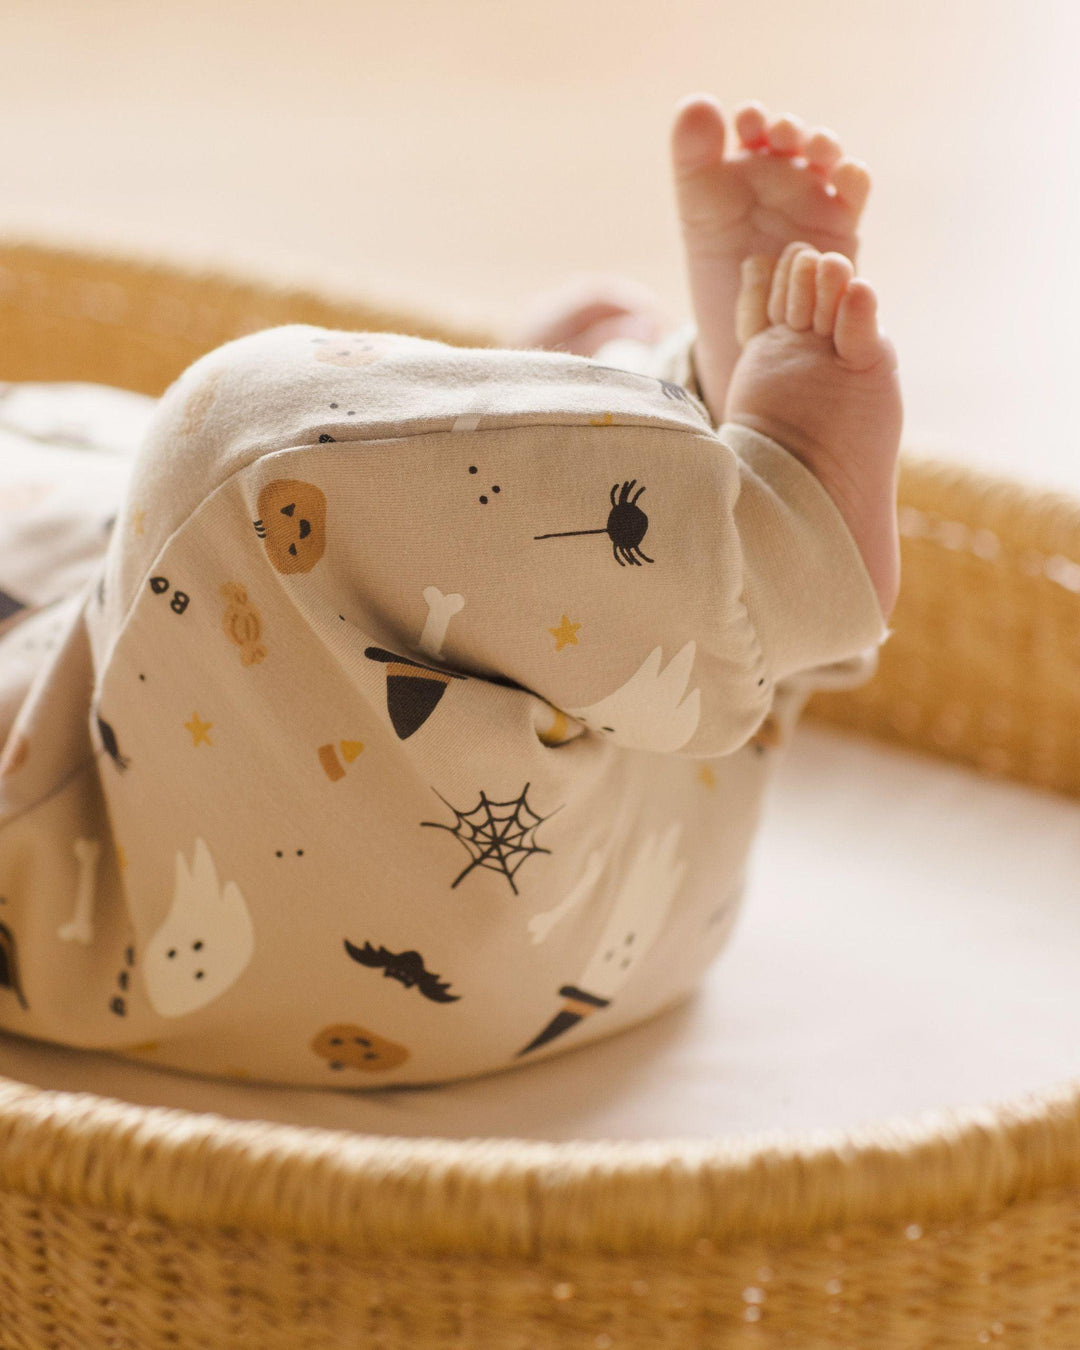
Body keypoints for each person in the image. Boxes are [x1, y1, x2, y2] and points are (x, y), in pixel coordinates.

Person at [0, 97, 900, 1089]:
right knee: (244, 444)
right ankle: (773, 542)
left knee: (320, 512)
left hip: (645, 788)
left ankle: (692, 439)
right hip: (234, 894)